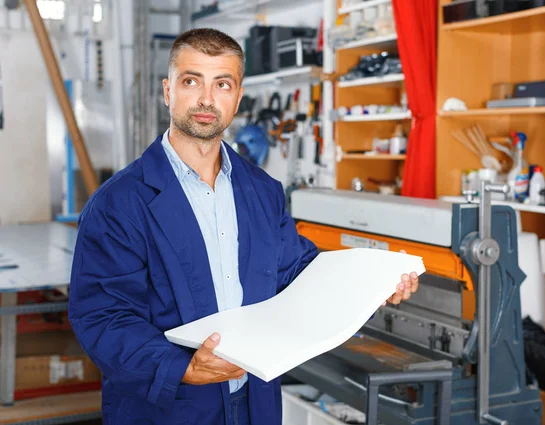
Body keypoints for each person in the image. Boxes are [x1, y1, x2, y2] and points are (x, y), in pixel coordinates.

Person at [68, 28, 420, 425]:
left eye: (222, 83)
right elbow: (103, 315)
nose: (206, 99)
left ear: (237, 97)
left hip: (255, 401)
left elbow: (296, 272)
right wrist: (180, 368)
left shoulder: (263, 191)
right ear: (168, 91)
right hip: (170, 407)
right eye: (191, 81)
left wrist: (372, 283)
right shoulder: (119, 203)